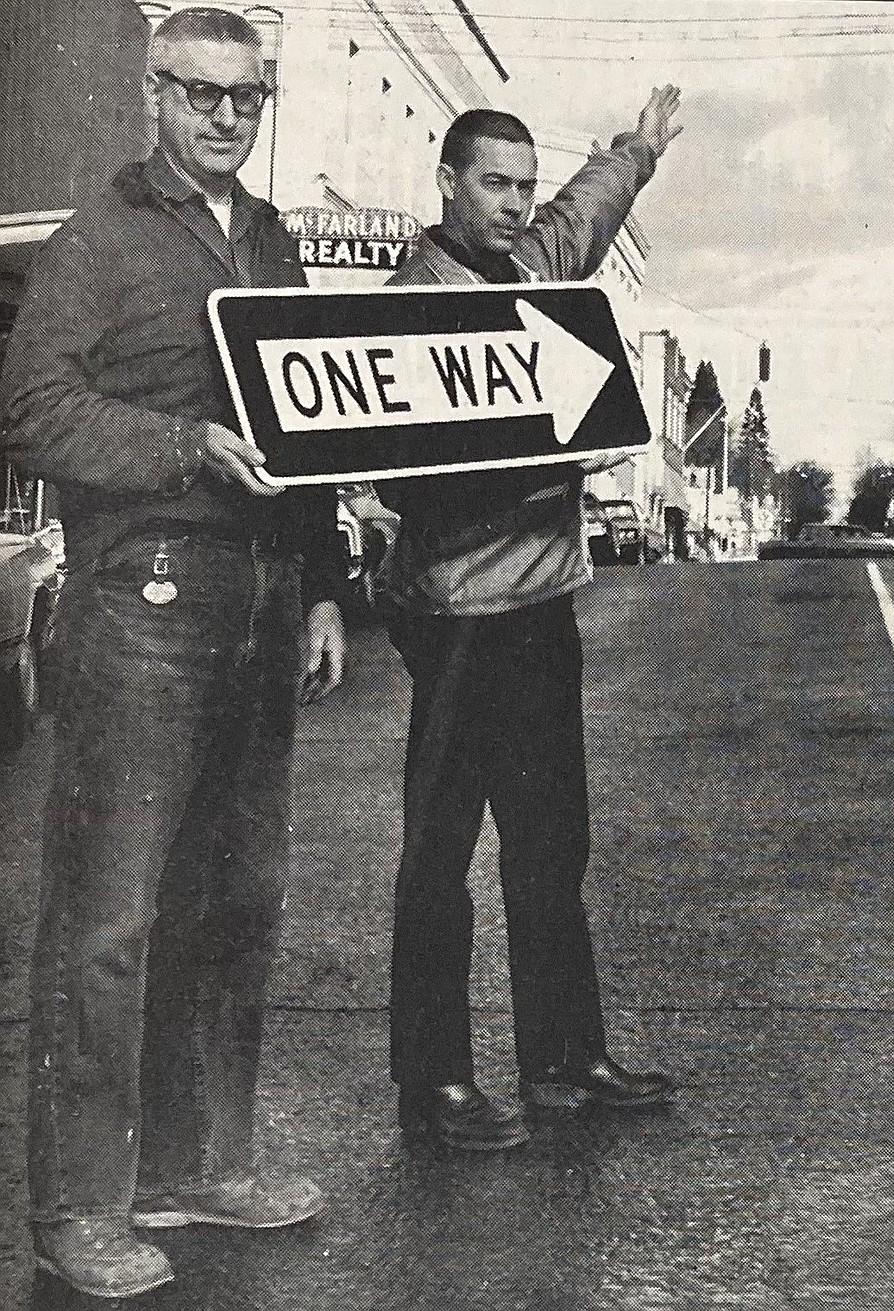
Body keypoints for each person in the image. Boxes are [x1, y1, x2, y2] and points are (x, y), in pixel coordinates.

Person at [0, 8, 346, 1298]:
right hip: (141, 597)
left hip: (257, 603)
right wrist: (182, 448)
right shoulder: (98, 241)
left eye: (245, 99)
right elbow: (31, 411)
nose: (223, 118)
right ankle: (78, 1206)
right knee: (110, 916)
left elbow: (310, 413)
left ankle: (200, 1165)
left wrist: (316, 588)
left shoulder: (268, 240)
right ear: (154, 94)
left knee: (236, 899)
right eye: (199, 95)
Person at [381, 89, 682, 1151]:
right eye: (491, 185)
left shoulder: (528, 269)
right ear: (446, 183)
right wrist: (568, 454)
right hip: (457, 613)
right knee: (441, 856)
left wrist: (635, 152)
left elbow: (579, 219)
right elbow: (429, 477)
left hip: (543, 606)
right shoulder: (413, 299)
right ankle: (437, 1088)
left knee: (554, 846)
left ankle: (564, 1061)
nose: (513, 206)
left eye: (521, 185)